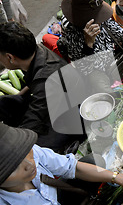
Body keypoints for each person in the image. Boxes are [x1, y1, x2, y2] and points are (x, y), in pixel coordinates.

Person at [0, 22, 77, 153]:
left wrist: (13, 140)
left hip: (67, 122)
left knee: (27, 150)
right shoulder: (36, 51)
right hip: (51, 106)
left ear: (10, 57)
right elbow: (32, 84)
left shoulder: (45, 78)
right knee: (5, 103)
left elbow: (34, 120)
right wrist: (17, 97)